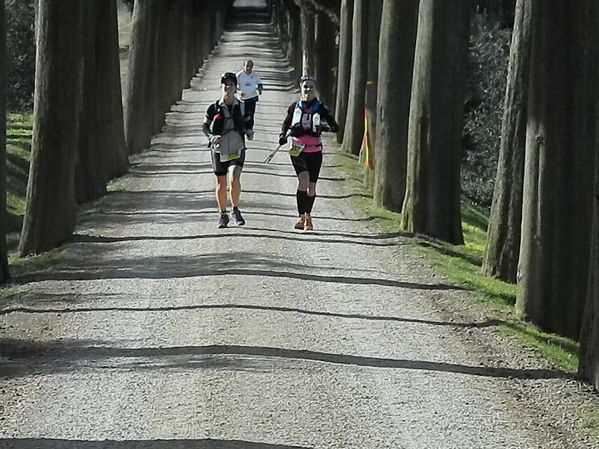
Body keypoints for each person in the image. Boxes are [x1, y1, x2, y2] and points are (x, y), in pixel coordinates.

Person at [279, 76, 339, 231]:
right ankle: (301, 216)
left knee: (311, 188)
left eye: (311, 87)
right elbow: (286, 123)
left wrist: (322, 129)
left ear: (315, 89)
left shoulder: (320, 108)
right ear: (301, 88)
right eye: (305, 87)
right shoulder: (295, 106)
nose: (308, 90)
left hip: (315, 151)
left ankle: (308, 217)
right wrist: (282, 136)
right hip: (297, 150)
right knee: (303, 181)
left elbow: (335, 127)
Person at [203, 72, 253, 228]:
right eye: (225, 84)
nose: (228, 87)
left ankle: (235, 210)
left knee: (233, 179)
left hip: (237, 147)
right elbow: (204, 126)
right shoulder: (214, 107)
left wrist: (249, 132)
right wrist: (211, 137)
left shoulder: (243, 106)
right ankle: (222, 214)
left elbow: (248, 125)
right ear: (221, 87)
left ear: (235, 88)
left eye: (231, 84)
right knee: (221, 183)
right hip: (219, 149)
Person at [236, 60, 263, 130]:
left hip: (252, 97)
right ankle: (241, 128)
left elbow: (259, 84)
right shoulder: (239, 75)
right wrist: (239, 92)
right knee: (242, 115)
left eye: (250, 66)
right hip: (241, 99)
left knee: (250, 115)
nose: (248, 68)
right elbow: (234, 87)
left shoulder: (254, 75)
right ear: (243, 66)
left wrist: (260, 89)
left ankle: (249, 129)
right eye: (247, 66)